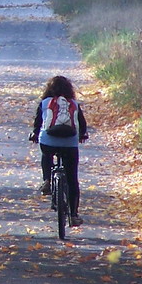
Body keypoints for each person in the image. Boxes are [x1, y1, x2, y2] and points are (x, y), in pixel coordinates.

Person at [29, 75, 88, 226]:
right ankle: (74, 215)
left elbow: (38, 123)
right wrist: (82, 135)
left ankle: (47, 179)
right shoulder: (73, 103)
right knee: (72, 179)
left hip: (48, 141)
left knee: (46, 153)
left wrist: (35, 134)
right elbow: (82, 124)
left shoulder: (45, 103)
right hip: (70, 143)